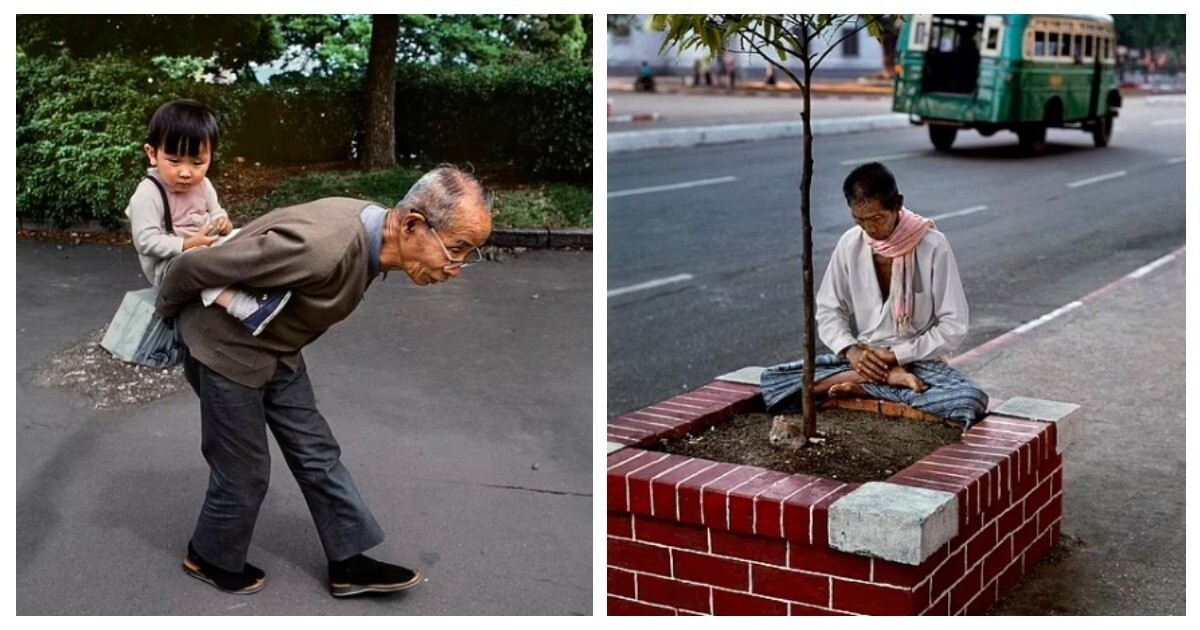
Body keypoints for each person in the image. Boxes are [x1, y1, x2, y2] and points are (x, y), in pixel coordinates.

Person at [156, 166, 493, 596]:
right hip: (225, 348)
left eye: (469, 253)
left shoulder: (372, 234)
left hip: (276, 346)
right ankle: (209, 556)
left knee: (317, 453)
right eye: (457, 249)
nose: (457, 267)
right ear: (411, 224)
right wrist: (164, 317)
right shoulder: (322, 248)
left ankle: (349, 563)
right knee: (244, 471)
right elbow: (192, 266)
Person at [761, 162, 988, 428]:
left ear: (897, 204)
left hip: (919, 362)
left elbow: (953, 326)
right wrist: (853, 351)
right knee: (772, 381)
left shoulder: (933, 246)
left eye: (877, 218)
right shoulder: (850, 243)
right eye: (860, 220)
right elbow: (828, 310)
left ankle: (865, 385)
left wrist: (898, 356)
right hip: (863, 359)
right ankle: (887, 380)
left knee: (968, 399)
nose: (869, 229)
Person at [127, 99, 290, 336]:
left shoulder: (203, 185)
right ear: (152, 154)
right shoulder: (148, 193)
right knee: (198, 264)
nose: (185, 172)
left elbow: (216, 212)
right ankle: (244, 308)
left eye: (197, 163)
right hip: (170, 266)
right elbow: (145, 241)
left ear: (210, 157)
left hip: (205, 245)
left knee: (243, 237)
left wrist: (222, 223)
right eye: (174, 161)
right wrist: (187, 244)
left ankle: (265, 284)